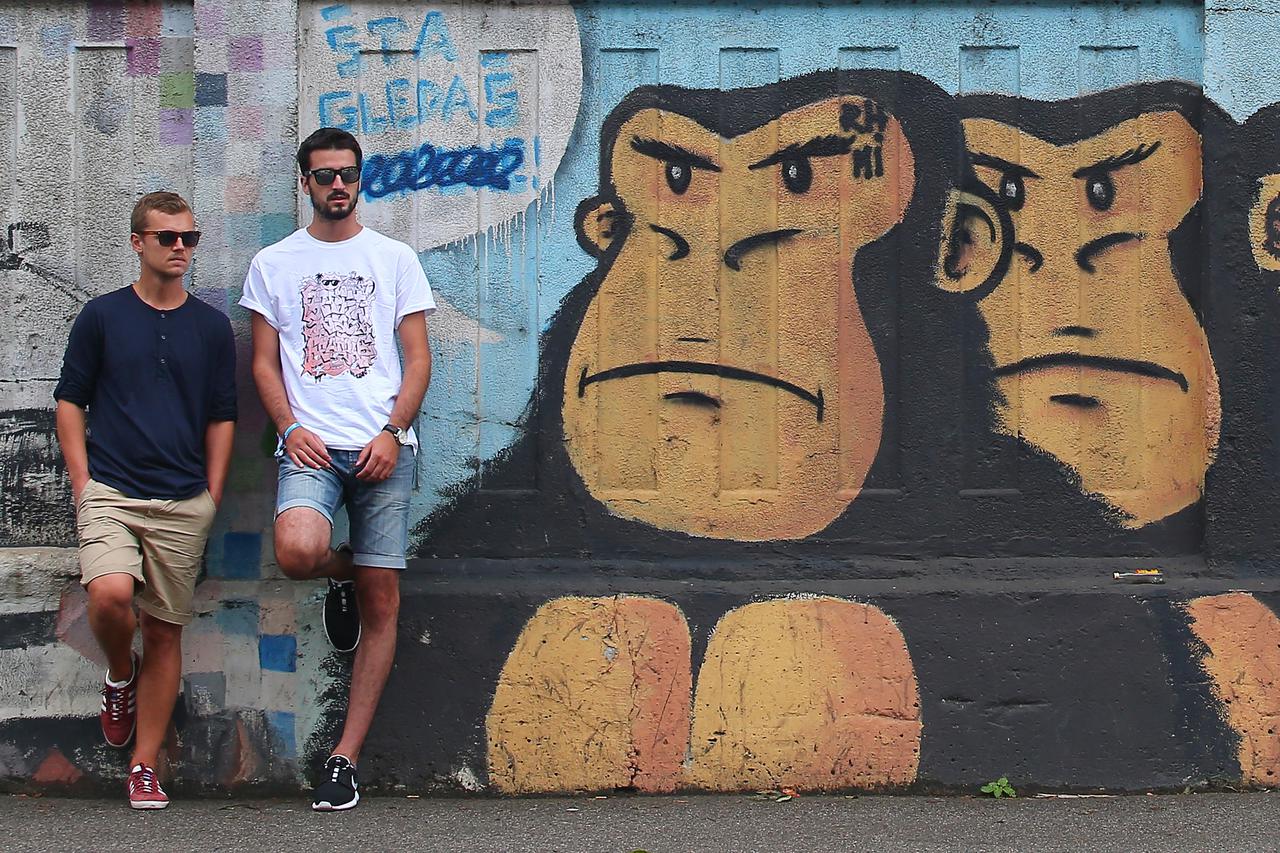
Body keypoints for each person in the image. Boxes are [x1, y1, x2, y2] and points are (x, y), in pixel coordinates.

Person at [239, 127, 434, 811]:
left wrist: (392, 430)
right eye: (323, 176)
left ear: (361, 178)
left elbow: (418, 358)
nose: (337, 185)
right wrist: (289, 428)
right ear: (305, 183)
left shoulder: (396, 258)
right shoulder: (272, 263)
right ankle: (344, 571)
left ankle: (343, 758)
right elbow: (264, 363)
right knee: (297, 552)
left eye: (346, 173)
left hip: (384, 447)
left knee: (385, 601)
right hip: (311, 448)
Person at [53, 191, 236, 810]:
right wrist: (83, 484)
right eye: (167, 238)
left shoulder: (211, 327)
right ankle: (118, 675)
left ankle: (144, 765)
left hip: (184, 501)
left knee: (163, 630)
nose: (180, 248)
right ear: (138, 243)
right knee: (109, 597)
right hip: (111, 492)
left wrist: (211, 493)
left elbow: (222, 415)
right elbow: (70, 401)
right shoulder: (103, 316)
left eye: (189, 238)